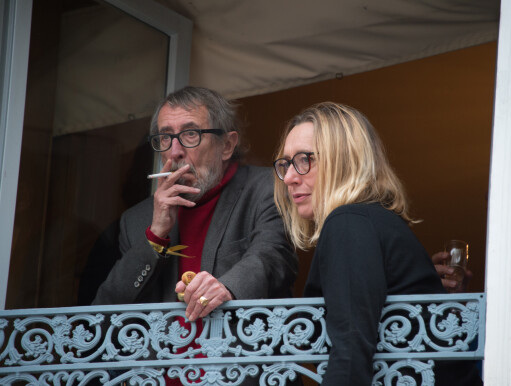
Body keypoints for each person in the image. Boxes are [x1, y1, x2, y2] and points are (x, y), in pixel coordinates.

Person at [272, 102, 482, 385]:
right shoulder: (369, 220)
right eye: (285, 163)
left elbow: (349, 353)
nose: (288, 177)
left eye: (304, 160)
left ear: (344, 160)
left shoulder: (348, 221)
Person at [93, 86, 298, 321]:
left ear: (227, 145)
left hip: (236, 354)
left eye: (191, 134)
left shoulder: (267, 189)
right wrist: (156, 237)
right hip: (165, 358)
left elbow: (272, 256)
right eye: (165, 137)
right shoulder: (136, 220)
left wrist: (226, 287)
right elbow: (105, 310)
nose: (175, 152)